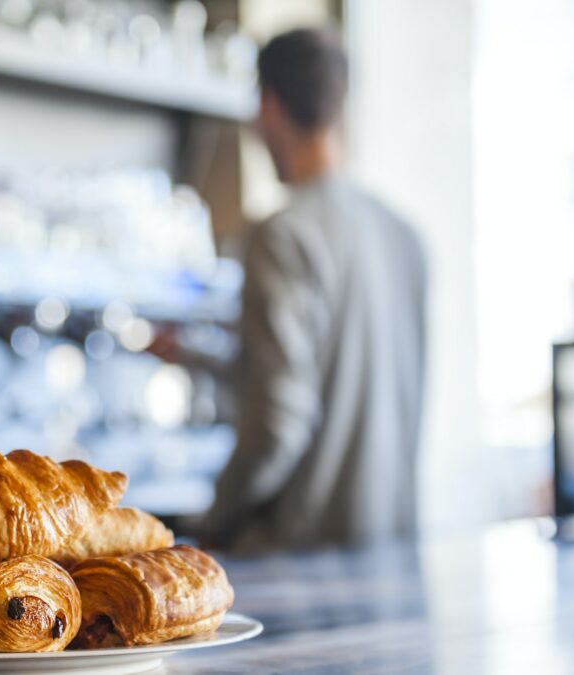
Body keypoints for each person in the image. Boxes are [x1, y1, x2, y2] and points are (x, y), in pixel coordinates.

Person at [201, 27, 427, 553]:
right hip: (392, 548)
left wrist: (215, 519)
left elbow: (280, 419)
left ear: (269, 106)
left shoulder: (281, 233)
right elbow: (341, 377)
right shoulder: (406, 236)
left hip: (301, 560)